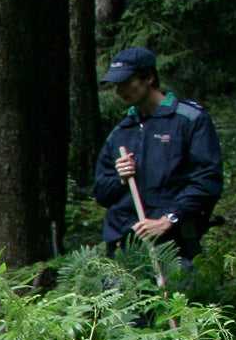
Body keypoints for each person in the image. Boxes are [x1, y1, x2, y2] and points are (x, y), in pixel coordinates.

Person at [93, 46, 223, 273]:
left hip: (176, 245)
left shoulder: (189, 120)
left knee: (173, 306)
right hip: (124, 245)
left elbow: (207, 181)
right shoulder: (122, 130)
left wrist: (168, 220)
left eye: (126, 82)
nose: (118, 91)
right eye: (116, 84)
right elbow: (102, 193)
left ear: (149, 77)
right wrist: (120, 179)